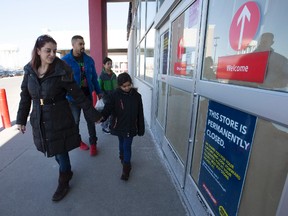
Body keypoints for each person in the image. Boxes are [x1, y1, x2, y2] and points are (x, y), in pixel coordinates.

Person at [16, 35, 102, 202]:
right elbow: (25, 96)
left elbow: (77, 94)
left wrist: (93, 114)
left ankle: (64, 179)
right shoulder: (29, 70)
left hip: (59, 115)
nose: (52, 54)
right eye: (48, 50)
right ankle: (66, 171)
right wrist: (20, 119)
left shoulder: (61, 68)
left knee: (60, 150)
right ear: (38, 51)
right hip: (40, 117)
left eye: (54, 51)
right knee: (51, 148)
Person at [62, 35, 102, 156]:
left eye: (83, 44)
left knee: (91, 120)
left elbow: (94, 77)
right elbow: (62, 81)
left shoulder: (89, 60)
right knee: (75, 121)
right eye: (80, 44)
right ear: (73, 45)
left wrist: (99, 92)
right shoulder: (65, 60)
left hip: (87, 96)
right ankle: (78, 141)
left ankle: (93, 143)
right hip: (72, 98)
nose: (83, 46)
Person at [101, 73, 145, 181]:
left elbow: (140, 113)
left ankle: (126, 168)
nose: (127, 88)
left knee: (127, 145)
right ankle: (122, 156)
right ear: (119, 86)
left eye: (129, 85)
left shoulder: (137, 96)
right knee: (121, 142)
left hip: (130, 126)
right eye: (124, 86)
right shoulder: (114, 95)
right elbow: (108, 108)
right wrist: (101, 117)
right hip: (118, 125)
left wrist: (140, 128)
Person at [98, 57, 117, 134]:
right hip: (106, 97)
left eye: (111, 64)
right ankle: (104, 126)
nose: (110, 65)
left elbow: (116, 86)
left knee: (113, 112)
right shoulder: (102, 76)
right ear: (104, 65)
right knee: (107, 112)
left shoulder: (114, 75)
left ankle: (109, 125)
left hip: (114, 97)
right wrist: (104, 96)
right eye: (108, 64)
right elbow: (99, 88)